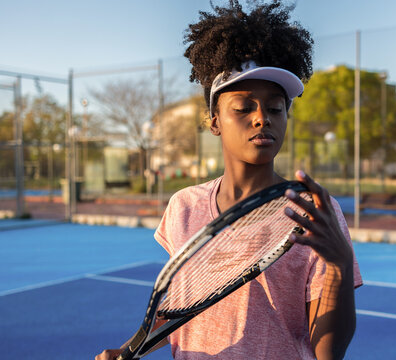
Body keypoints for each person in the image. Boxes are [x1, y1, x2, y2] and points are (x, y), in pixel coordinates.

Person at [96, 1, 362, 359]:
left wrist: (340, 264)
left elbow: (328, 352)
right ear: (215, 121)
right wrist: (127, 350)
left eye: (274, 108)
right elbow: (180, 313)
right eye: (243, 108)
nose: (261, 118)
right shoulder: (184, 206)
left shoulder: (312, 210)